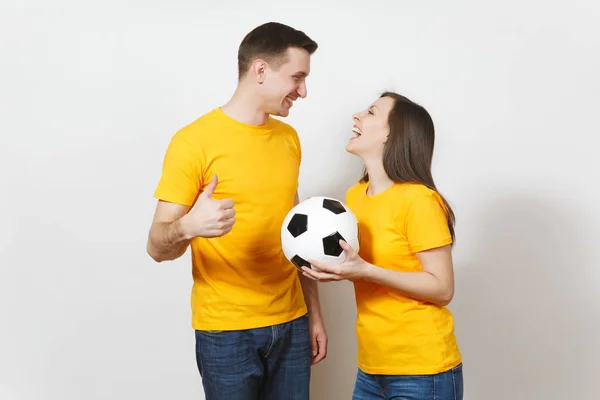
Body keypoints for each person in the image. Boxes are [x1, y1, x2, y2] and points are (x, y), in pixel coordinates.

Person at [146, 22, 327, 400]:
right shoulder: (193, 142)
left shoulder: (288, 139)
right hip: (226, 332)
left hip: (291, 324)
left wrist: (314, 313)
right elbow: (157, 246)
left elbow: (300, 233)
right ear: (260, 70)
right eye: (297, 77)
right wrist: (187, 227)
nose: (303, 91)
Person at [302, 92, 463, 399]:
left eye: (371, 112)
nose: (357, 116)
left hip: (423, 371)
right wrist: (338, 270)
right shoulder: (353, 198)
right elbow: (364, 270)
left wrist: (366, 271)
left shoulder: (419, 201)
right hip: (371, 369)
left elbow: (443, 289)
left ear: (391, 133)